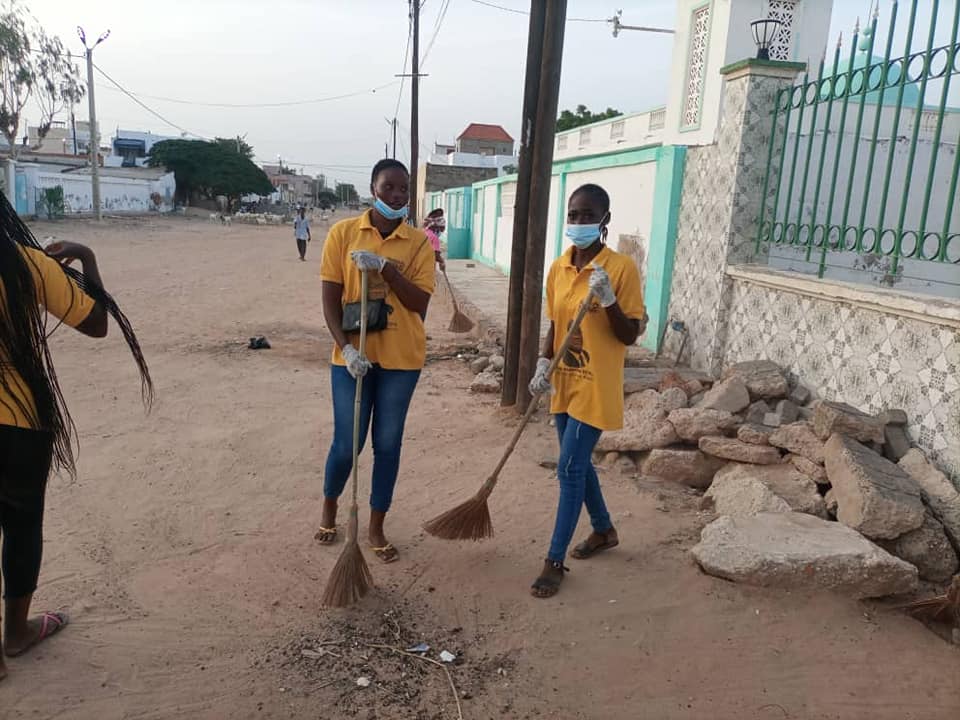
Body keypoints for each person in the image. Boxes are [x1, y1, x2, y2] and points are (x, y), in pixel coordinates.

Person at [0, 195, 152, 680]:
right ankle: (16, 634)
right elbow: (97, 324)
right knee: (22, 528)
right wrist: (86, 257)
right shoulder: (26, 265)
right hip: (21, 421)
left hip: (22, 421)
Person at [528, 183, 646, 599]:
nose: (578, 222)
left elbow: (630, 333)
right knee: (579, 466)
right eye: (573, 215)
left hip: (596, 387)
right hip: (565, 383)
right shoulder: (559, 267)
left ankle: (553, 561)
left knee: (569, 469)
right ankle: (603, 529)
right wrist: (544, 362)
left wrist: (609, 299)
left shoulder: (621, 269)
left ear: (604, 220)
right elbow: (556, 324)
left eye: (587, 215)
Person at [317, 159, 435, 564]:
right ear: (373, 189)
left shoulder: (418, 243)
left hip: (401, 360)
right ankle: (330, 509)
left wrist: (386, 267)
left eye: (404, 190)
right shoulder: (343, 234)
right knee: (348, 443)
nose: (398, 196)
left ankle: (376, 526)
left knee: (387, 444)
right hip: (353, 358)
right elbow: (330, 299)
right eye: (389, 188)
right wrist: (345, 348)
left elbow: (419, 304)